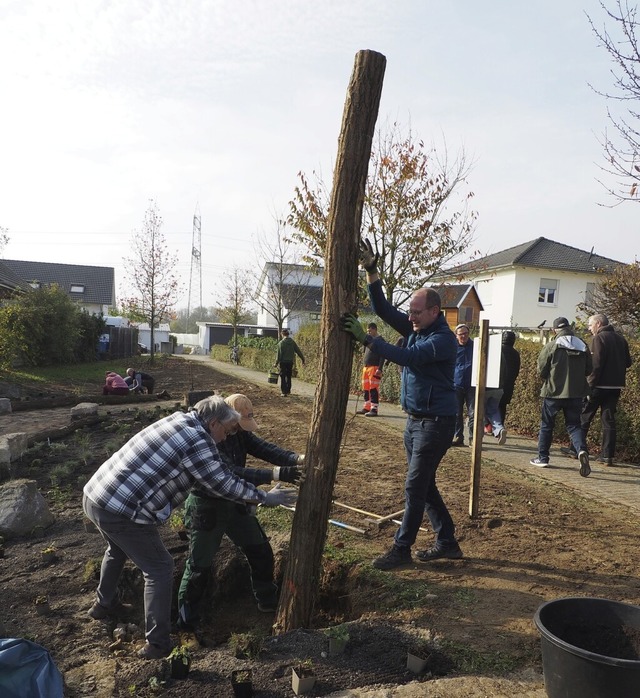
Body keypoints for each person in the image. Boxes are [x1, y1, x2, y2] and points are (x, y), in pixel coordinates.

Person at [82, 395, 297, 660]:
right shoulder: (197, 441)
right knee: (160, 568)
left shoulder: (182, 420)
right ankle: (158, 644)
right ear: (215, 423)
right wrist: (265, 497)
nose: (228, 438)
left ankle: (103, 604)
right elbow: (222, 482)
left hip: (97, 495)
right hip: (121, 508)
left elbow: (236, 465)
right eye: (228, 431)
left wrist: (287, 462)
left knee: (117, 549)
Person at [341, 238, 460, 571]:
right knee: (424, 484)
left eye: (417, 312)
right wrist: (371, 269)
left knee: (414, 484)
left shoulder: (441, 340)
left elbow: (407, 357)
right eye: (410, 311)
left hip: (437, 423)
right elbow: (381, 309)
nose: (410, 317)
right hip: (415, 421)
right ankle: (447, 541)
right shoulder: (416, 328)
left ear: (435, 312)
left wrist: (367, 339)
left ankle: (401, 549)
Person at [177, 393, 304, 634]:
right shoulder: (209, 437)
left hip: (235, 500)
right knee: (198, 568)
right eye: (235, 427)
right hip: (207, 506)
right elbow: (231, 471)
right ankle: (186, 623)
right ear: (224, 420)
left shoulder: (238, 432)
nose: (236, 431)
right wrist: (276, 475)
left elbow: (262, 448)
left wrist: (294, 459)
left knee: (260, 550)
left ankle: (267, 600)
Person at [563, 314, 632, 466]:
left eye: (590, 324)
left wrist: (588, 386)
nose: (589, 328)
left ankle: (575, 449)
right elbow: (628, 362)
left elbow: (596, 365)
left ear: (598, 324)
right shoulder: (621, 339)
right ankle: (607, 456)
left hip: (598, 386)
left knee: (584, 418)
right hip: (615, 387)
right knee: (608, 420)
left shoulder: (599, 339)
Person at [530, 317, 592, 476]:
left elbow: (542, 370)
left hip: (553, 393)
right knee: (574, 425)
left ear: (554, 330)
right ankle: (581, 451)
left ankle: (542, 458)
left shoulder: (551, 346)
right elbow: (589, 370)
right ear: (570, 328)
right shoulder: (583, 345)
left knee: (546, 425)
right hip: (576, 394)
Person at [452, 324, 474, 446]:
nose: (464, 336)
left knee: (473, 413)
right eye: (461, 334)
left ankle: (473, 439)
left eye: (466, 333)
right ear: (456, 335)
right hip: (456, 384)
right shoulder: (452, 347)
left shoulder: (475, 346)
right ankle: (458, 436)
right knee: (456, 413)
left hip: (472, 385)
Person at [360, 322, 385, 416]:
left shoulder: (381, 340)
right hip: (366, 367)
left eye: (370, 330)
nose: (369, 332)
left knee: (373, 388)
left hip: (375, 368)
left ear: (375, 329)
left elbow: (383, 355)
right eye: (367, 331)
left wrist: (380, 368)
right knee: (366, 388)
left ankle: (374, 409)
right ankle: (367, 407)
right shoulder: (368, 340)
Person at [498, 331, 521, 424]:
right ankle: (500, 427)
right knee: (502, 406)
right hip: (508, 384)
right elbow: (516, 371)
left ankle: (489, 425)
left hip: (495, 383)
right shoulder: (516, 354)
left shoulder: (497, 350)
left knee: (490, 405)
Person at [275, 329, 305, 397]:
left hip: (283, 362)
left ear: (282, 334)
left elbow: (279, 355)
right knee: (288, 376)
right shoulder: (292, 342)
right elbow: (298, 351)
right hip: (290, 362)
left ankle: (284, 392)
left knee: (283, 377)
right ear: (288, 334)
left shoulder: (281, 343)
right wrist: (303, 359)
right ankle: (288, 390)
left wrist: (276, 363)